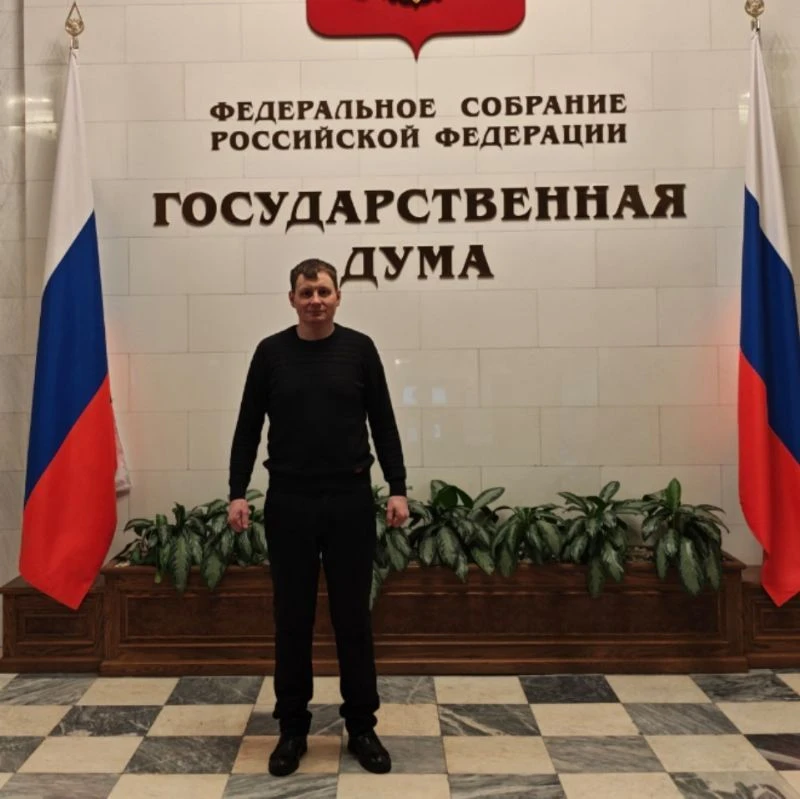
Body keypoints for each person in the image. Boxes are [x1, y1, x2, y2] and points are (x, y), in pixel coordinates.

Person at [227, 258, 409, 777]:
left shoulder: (360, 349)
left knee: (353, 619)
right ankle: (292, 729)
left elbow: (384, 423)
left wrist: (397, 487)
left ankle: (362, 727)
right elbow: (247, 427)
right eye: (306, 292)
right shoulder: (271, 353)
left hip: (350, 499)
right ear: (292, 299)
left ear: (338, 296)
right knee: (292, 619)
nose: (315, 300)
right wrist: (237, 492)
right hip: (290, 501)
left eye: (323, 291)